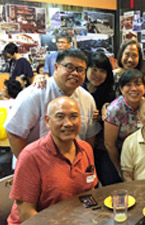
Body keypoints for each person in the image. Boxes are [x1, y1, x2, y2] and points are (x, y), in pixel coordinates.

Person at [7, 97, 98, 225]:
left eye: (74, 116)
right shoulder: (31, 156)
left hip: (71, 219)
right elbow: (25, 212)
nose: (68, 123)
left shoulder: (86, 149)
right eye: (60, 117)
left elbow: (89, 190)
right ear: (47, 121)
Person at [4, 49, 100, 158]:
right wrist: (29, 165)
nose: (75, 73)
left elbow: (89, 137)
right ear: (56, 67)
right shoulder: (35, 94)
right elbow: (14, 133)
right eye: (69, 67)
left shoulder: (87, 99)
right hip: (39, 164)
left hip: (74, 165)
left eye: (80, 69)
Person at [104, 69, 145, 181]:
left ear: (144, 88)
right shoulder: (115, 110)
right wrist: (120, 170)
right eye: (128, 85)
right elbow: (109, 144)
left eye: (138, 84)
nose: (134, 89)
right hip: (119, 156)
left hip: (140, 156)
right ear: (121, 89)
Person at [82, 52, 116, 186]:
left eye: (102, 71)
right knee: (87, 183)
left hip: (101, 145)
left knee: (110, 180)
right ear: (86, 69)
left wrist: (103, 116)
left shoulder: (109, 93)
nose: (98, 74)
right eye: (94, 69)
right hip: (80, 142)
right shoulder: (77, 89)